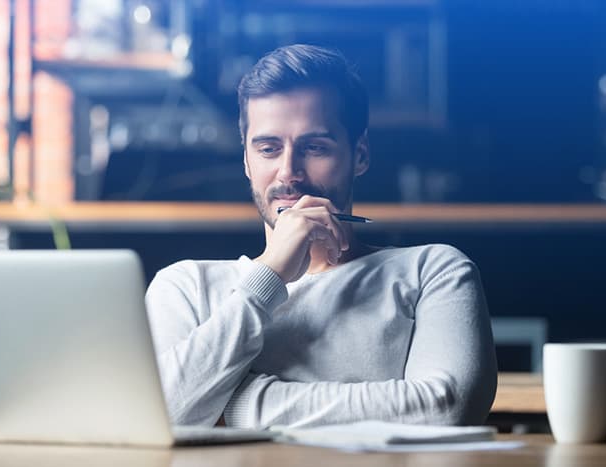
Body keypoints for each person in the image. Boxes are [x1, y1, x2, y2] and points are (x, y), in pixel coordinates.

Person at [145, 44, 497, 429]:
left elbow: (446, 409)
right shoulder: (185, 286)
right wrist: (270, 275)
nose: (288, 172)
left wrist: (236, 404)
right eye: (268, 148)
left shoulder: (433, 270)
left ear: (360, 155)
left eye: (314, 147)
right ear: (246, 160)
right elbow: (158, 417)